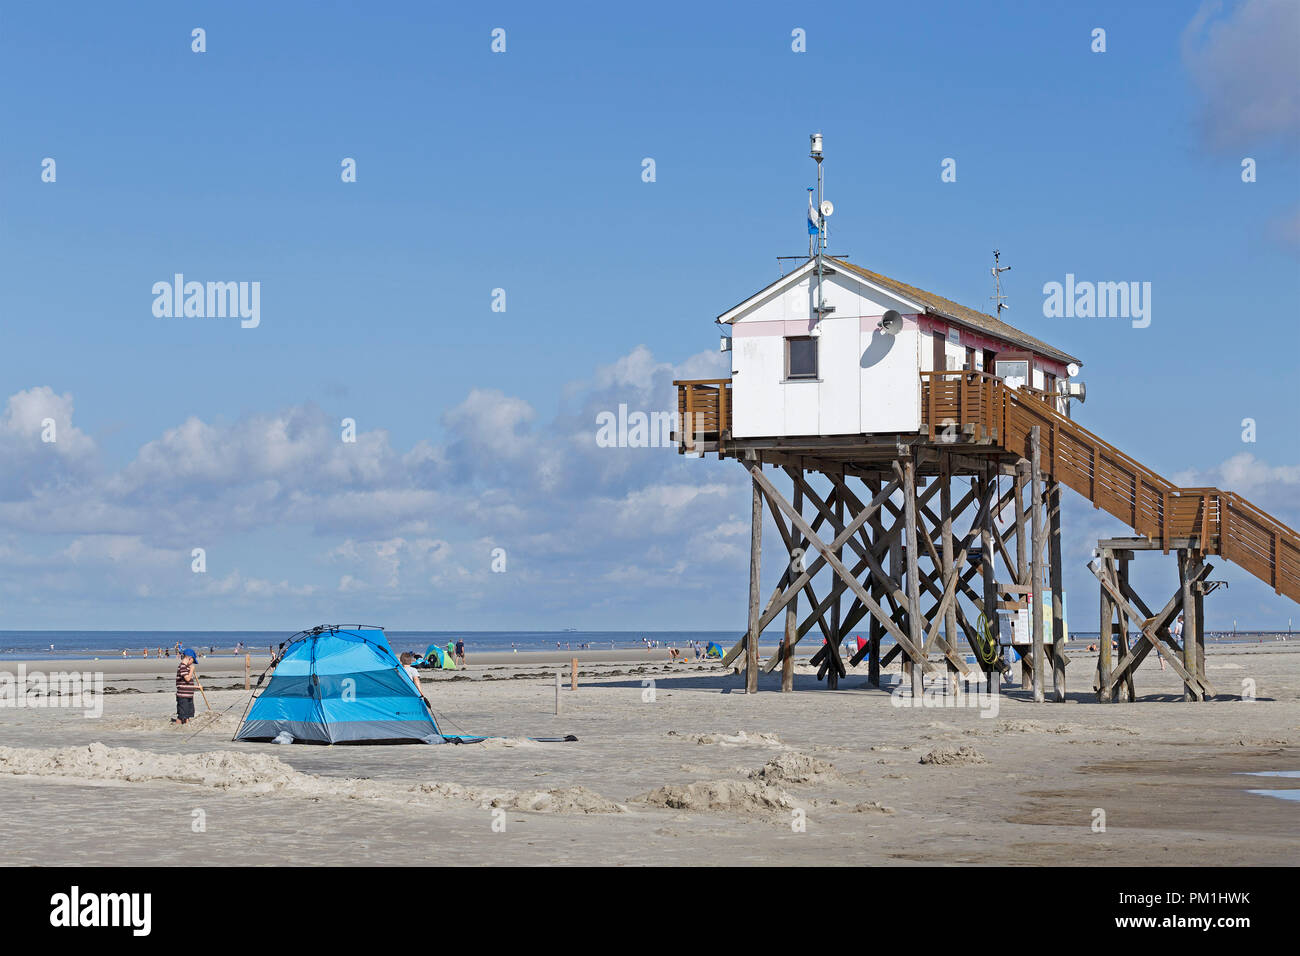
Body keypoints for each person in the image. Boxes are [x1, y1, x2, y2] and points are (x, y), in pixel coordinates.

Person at [174, 650, 198, 725]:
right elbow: (187, 679)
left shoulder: (187, 667)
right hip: (183, 695)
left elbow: (188, 683)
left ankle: (187, 725)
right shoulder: (182, 666)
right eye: (192, 661)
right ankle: (177, 727)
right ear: (190, 658)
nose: (192, 664)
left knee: (188, 713)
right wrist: (191, 670)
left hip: (189, 695)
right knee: (182, 715)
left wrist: (197, 687)